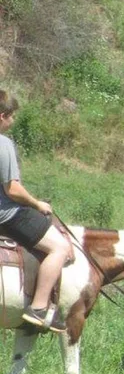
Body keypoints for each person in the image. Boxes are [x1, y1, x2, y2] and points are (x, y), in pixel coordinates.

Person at [0, 90, 73, 332]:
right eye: (12, 116)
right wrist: (36, 203)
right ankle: (39, 308)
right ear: (3, 116)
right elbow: (12, 189)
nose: (13, 121)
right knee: (60, 247)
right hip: (7, 214)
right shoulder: (4, 144)